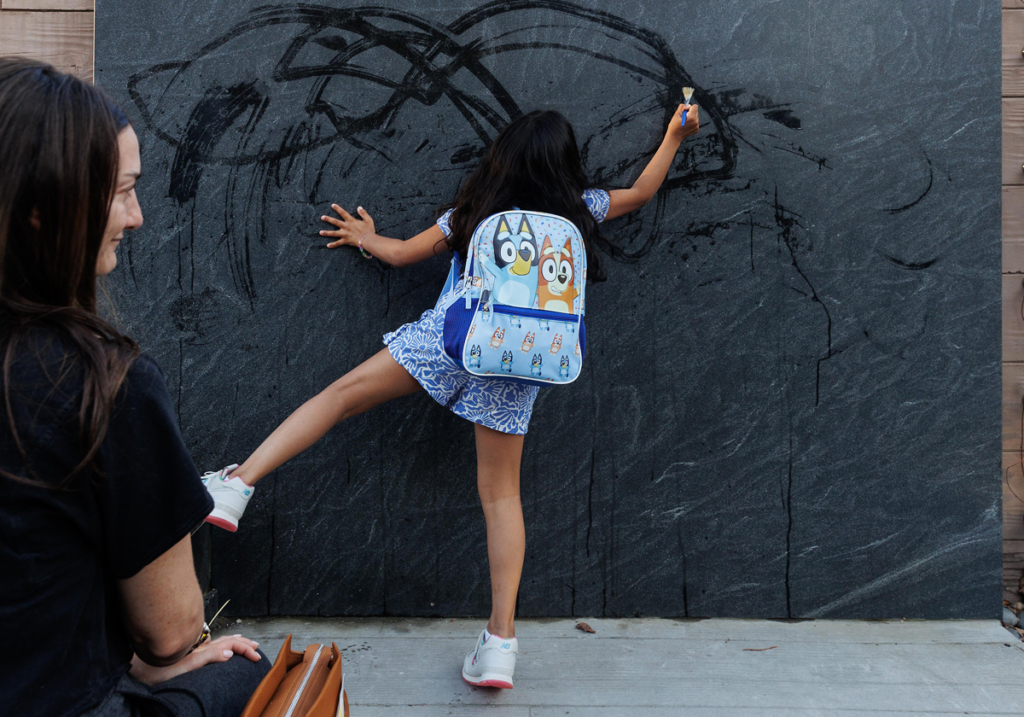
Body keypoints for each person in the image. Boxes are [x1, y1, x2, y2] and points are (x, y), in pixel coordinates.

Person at [203, 104, 701, 688]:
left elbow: (399, 254)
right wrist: (674, 135)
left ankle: (237, 486)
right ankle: (500, 644)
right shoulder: (579, 208)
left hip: (449, 340)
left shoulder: (474, 211)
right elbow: (640, 193)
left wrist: (365, 236)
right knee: (501, 497)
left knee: (340, 397)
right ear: (567, 164)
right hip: (517, 366)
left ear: (503, 158)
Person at [0, 58, 269, 717]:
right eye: (122, 191)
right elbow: (171, 630)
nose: (138, 216)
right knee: (249, 670)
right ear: (42, 208)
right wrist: (153, 656)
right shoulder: (101, 381)